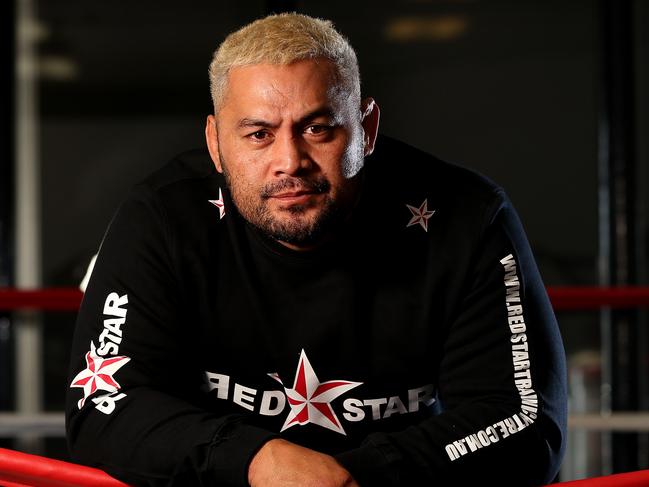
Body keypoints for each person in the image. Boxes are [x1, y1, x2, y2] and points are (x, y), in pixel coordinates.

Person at [66, 12, 567, 487]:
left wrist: (361, 476)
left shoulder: (466, 216)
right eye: (259, 134)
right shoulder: (164, 216)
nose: (290, 161)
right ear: (216, 144)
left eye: (317, 128)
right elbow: (102, 405)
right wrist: (254, 460)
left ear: (367, 130)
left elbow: (524, 421)